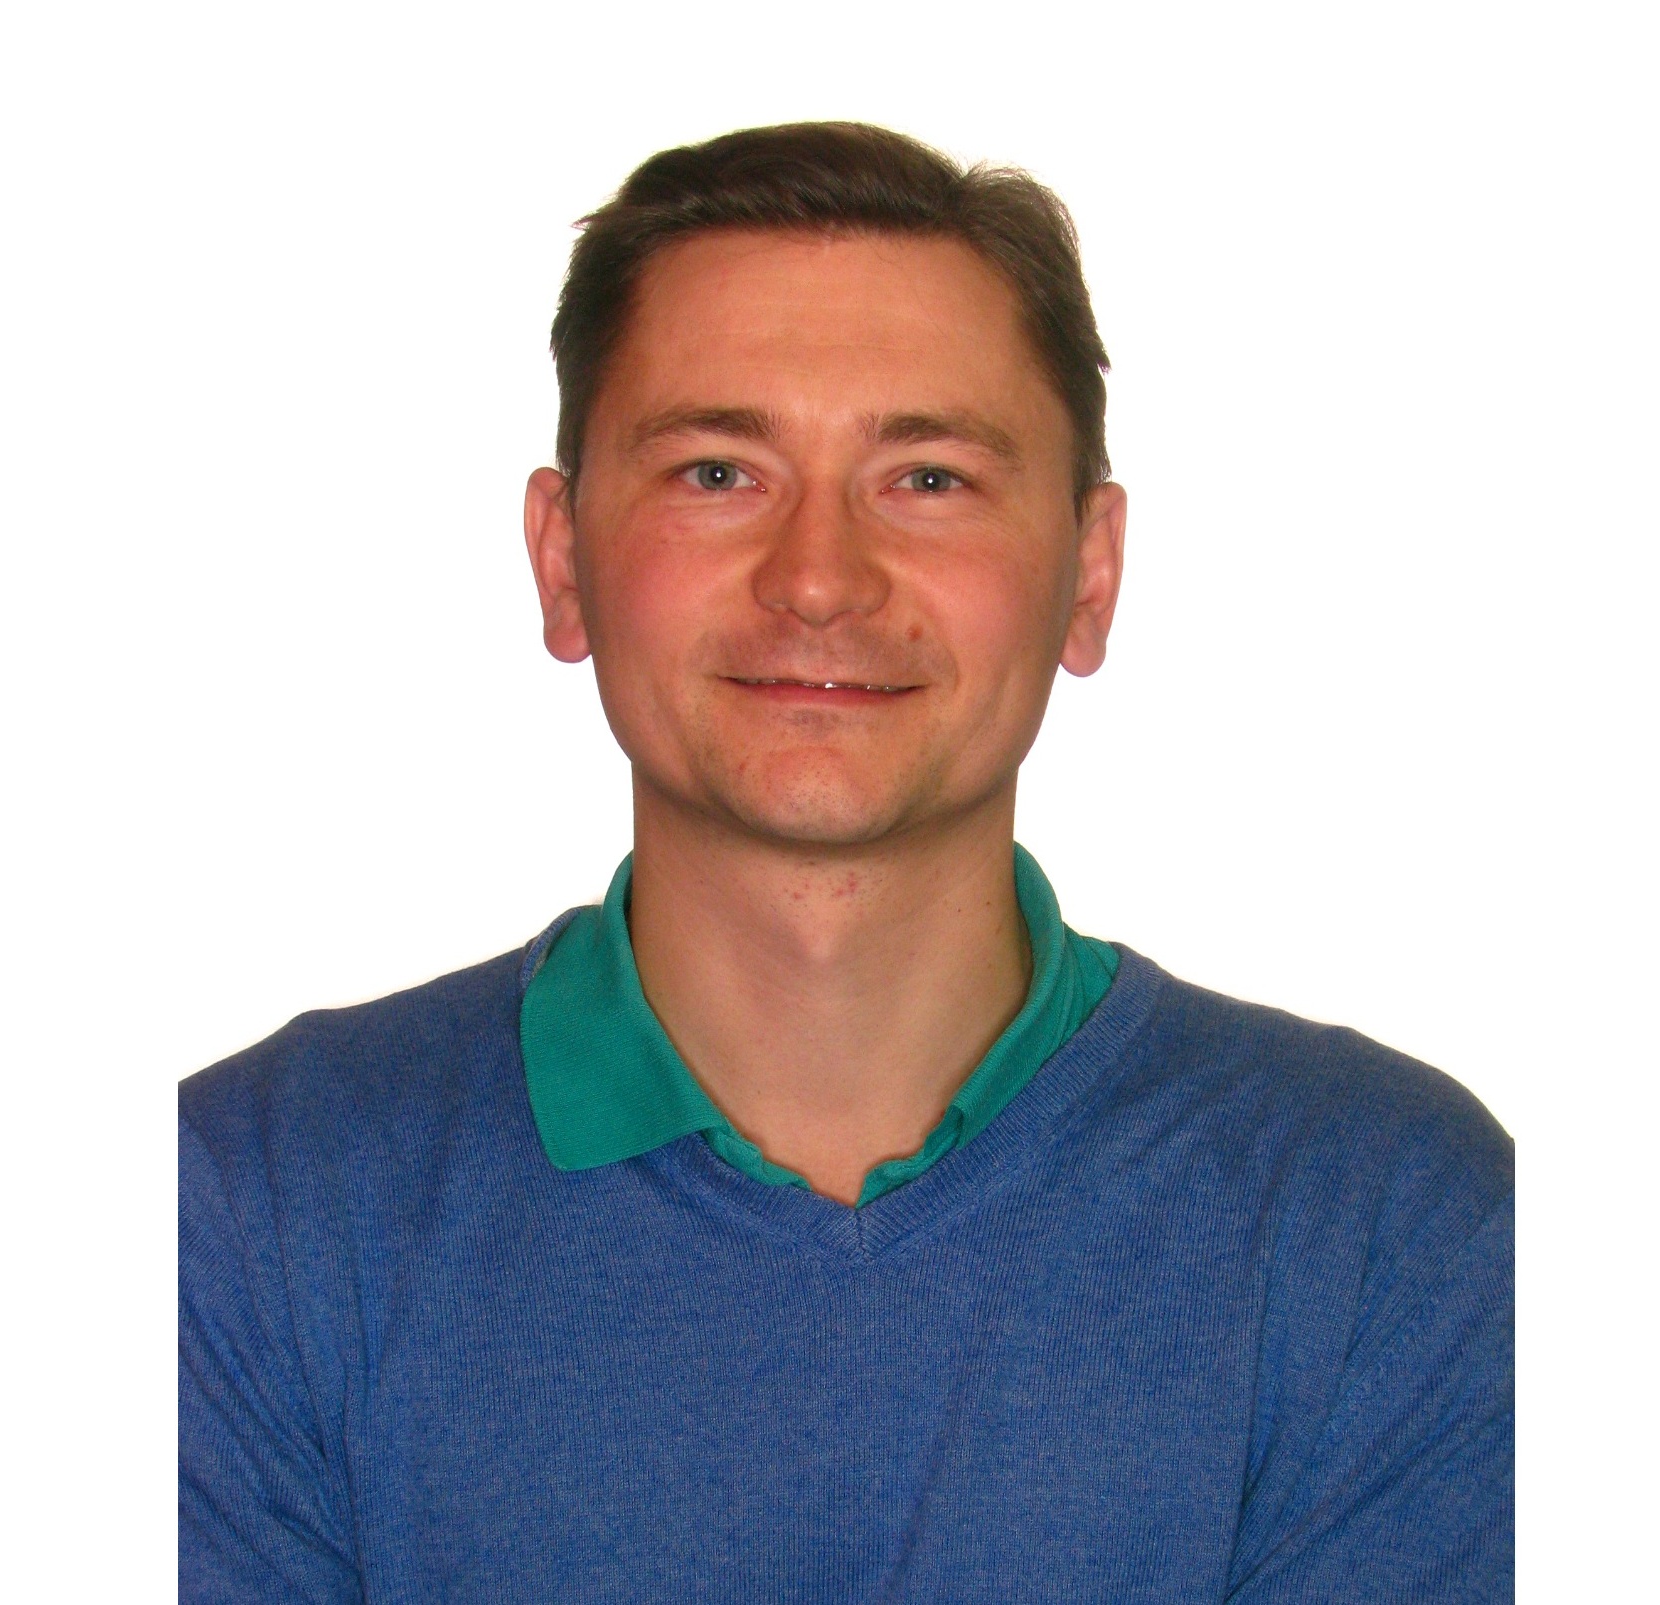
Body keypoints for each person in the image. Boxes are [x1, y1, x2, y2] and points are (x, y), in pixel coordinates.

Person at [179, 123, 1512, 1602]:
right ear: (563, 560)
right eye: (718, 470)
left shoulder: (1386, 1223)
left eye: (928, 477)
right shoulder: (245, 1212)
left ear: (1089, 573)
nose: (818, 577)